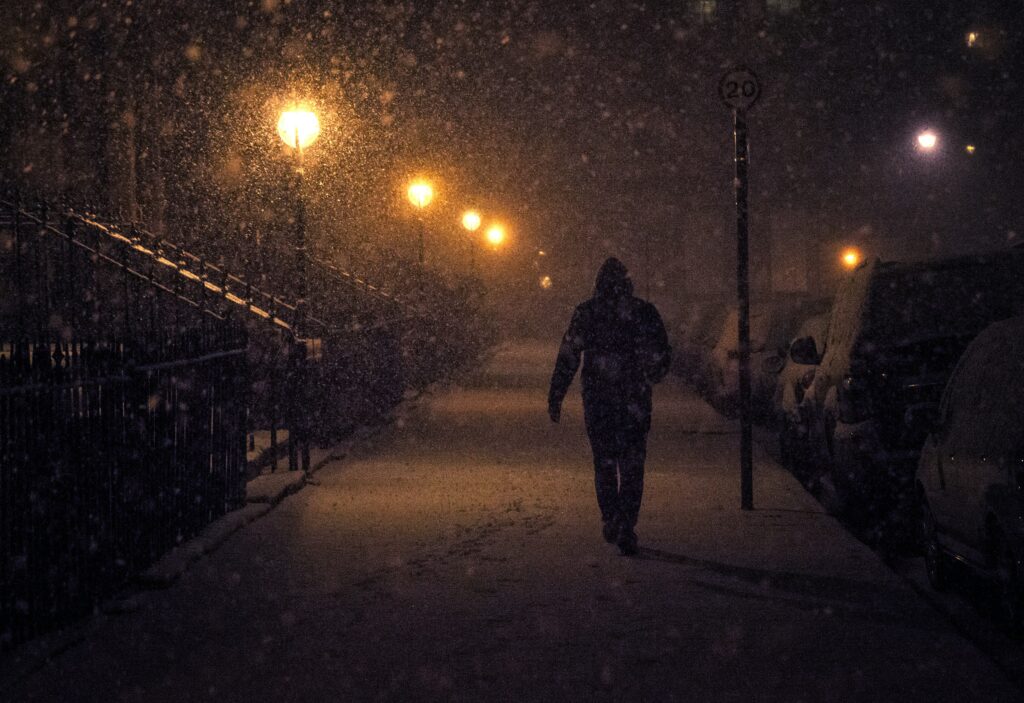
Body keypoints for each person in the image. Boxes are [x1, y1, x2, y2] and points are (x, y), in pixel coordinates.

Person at [548, 257, 672, 555]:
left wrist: (557, 394)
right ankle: (626, 522)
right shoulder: (643, 312)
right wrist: (651, 373)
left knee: (604, 461)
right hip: (634, 399)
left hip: (599, 399)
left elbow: (569, 354)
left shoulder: (588, 312)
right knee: (632, 465)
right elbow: (660, 355)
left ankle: (611, 516)